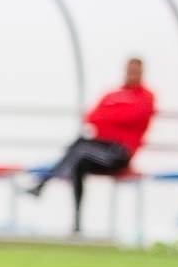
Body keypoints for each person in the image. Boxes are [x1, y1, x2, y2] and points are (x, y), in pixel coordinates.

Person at [27, 58, 156, 232]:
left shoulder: (146, 96)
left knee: (80, 146)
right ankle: (76, 222)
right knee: (79, 162)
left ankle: (44, 182)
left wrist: (110, 118)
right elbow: (92, 117)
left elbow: (133, 118)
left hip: (119, 153)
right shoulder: (112, 94)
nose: (132, 74)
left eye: (136, 71)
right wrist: (115, 119)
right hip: (98, 148)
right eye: (130, 70)